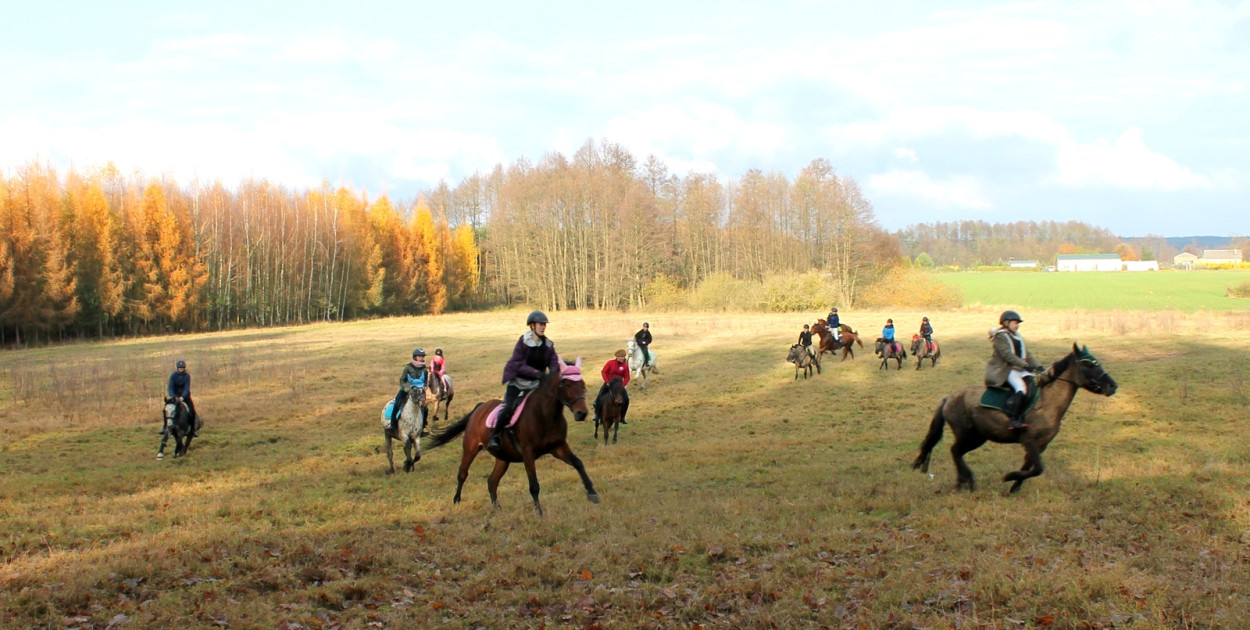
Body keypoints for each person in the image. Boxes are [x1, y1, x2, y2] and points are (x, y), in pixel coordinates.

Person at [491, 310, 562, 452]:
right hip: (517, 383)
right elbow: (517, 364)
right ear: (532, 326)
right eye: (540, 324)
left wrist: (554, 374)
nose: (543, 327)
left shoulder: (548, 345)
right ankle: (496, 436)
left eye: (544, 325)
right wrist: (536, 373)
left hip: (536, 385)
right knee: (509, 408)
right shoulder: (523, 342)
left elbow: (553, 362)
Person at [985, 310, 1045, 431]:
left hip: (1019, 368)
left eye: (1018, 323)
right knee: (1021, 388)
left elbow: (1027, 354)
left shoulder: (1017, 337)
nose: (1017, 325)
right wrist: (1025, 366)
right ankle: (1014, 419)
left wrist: (1038, 366)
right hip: (1006, 369)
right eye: (1015, 323)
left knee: (1033, 385)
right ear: (1006, 323)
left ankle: (1024, 414)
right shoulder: (1000, 337)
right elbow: (1008, 355)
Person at [390, 348, 429, 433]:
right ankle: (392, 424)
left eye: (423, 356)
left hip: (419, 391)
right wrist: (407, 388)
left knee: (425, 407)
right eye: (420, 356)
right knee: (397, 403)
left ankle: (423, 427)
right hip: (406, 390)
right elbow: (402, 380)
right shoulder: (408, 367)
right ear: (415, 357)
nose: (422, 358)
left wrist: (425, 387)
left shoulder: (425, 369)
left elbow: (426, 381)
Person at [594, 349, 632, 425]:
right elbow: (604, 372)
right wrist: (607, 382)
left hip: (618, 386)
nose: (622, 358)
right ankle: (597, 415)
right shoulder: (610, 363)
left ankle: (623, 417)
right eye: (621, 356)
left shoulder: (625, 366)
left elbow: (627, 377)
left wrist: (623, 385)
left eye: (623, 357)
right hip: (609, 384)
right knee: (599, 398)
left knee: (626, 399)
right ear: (617, 357)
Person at [164, 359, 198, 437]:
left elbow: (187, 387)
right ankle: (165, 427)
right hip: (174, 397)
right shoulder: (173, 375)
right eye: (180, 367)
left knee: (192, 411)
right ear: (177, 368)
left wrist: (183, 397)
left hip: (185, 397)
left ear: (184, 368)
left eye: (182, 367)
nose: (181, 369)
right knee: (166, 410)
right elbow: (170, 387)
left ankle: (193, 429)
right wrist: (173, 396)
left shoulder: (187, 376)